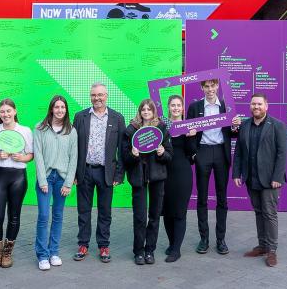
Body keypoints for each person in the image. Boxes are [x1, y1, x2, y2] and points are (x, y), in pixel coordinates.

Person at [233, 93, 287, 267]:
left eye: (259, 104)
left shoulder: (277, 125)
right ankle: (262, 245)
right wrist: (236, 174)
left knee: (269, 214)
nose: (256, 107)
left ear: (266, 106)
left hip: (270, 180)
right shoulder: (245, 125)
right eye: (253, 104)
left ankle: (272, 250)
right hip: (251, 178)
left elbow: (282, 153)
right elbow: (239, 152)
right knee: (258, 212)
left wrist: (277, 177)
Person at [188, 78, 242, 255]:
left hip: (221, 153)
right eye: (206, 86)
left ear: (218, 86)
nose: (210, 89)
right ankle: (204, 239)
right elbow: (188, 133)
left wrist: (235, 127)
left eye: (213, 85)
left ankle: (221, 239)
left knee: (222, 198)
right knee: (202, 198)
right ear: (202, 87)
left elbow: (234, 134)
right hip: (202, 151)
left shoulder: (227, 106)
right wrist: (194, 152)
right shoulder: (195, 107)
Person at [73, 82, 125, 263]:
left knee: (105, 211)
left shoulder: (117, 118)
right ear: (90, 96)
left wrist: (119, 174)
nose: (97, 98)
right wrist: (73, 173)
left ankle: (103, 245)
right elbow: (74, 148)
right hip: (84, 171)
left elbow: (122, 149)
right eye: (94, 95)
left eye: (101, 95)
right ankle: (83, 244)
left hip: (106, 172)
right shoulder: (80, 117)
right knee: (83, 211)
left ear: (107, 96)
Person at [122, 99, 172, 265]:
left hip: (157, 177)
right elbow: (124, 157)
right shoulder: (131, 130)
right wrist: (132, 154)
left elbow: (169, 156)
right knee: (140, 217)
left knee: (155, 216)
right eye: (143, 109)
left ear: (153, 112)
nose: (145, 112)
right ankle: (138, 251)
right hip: (139, 177)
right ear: (139, 111)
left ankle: (150, 250)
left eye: (148, 109)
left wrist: (162, 152)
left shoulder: (162, 128)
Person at [0, 99, 34, 269]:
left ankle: (7, 252)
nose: (5, 114)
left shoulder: (25, 131)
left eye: (8, 111)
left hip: (18, 177)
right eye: (2, 112)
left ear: (15, 111)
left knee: (14, 217)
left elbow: (30, 154)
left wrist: (22, 158)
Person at [33, 95, 78, 271]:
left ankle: (53, 252)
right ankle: (42, 255)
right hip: (46, 178)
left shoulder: (71, 131)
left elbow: (74, 158)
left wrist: (68, 183)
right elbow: (38, 155)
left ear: (66, 110)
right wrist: (42, 180)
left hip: (62, 179)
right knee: (44, 216)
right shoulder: (40, 128)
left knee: (58, 216)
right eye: (57, 107)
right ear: (51, 108)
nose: (60, 110)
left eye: (63, 107)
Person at [161, 94, 197, 262]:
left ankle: (176, 249)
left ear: (183, 108)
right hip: (164, 173)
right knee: (166, 212)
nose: (175, 108)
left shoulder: (189, 126)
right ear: (168, 107)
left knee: (179, 212)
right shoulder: (162, 126)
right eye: (173, 105)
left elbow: (191, 153)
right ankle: (171, 243)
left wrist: (191, 137)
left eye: (178, 105)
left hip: (182, 173)